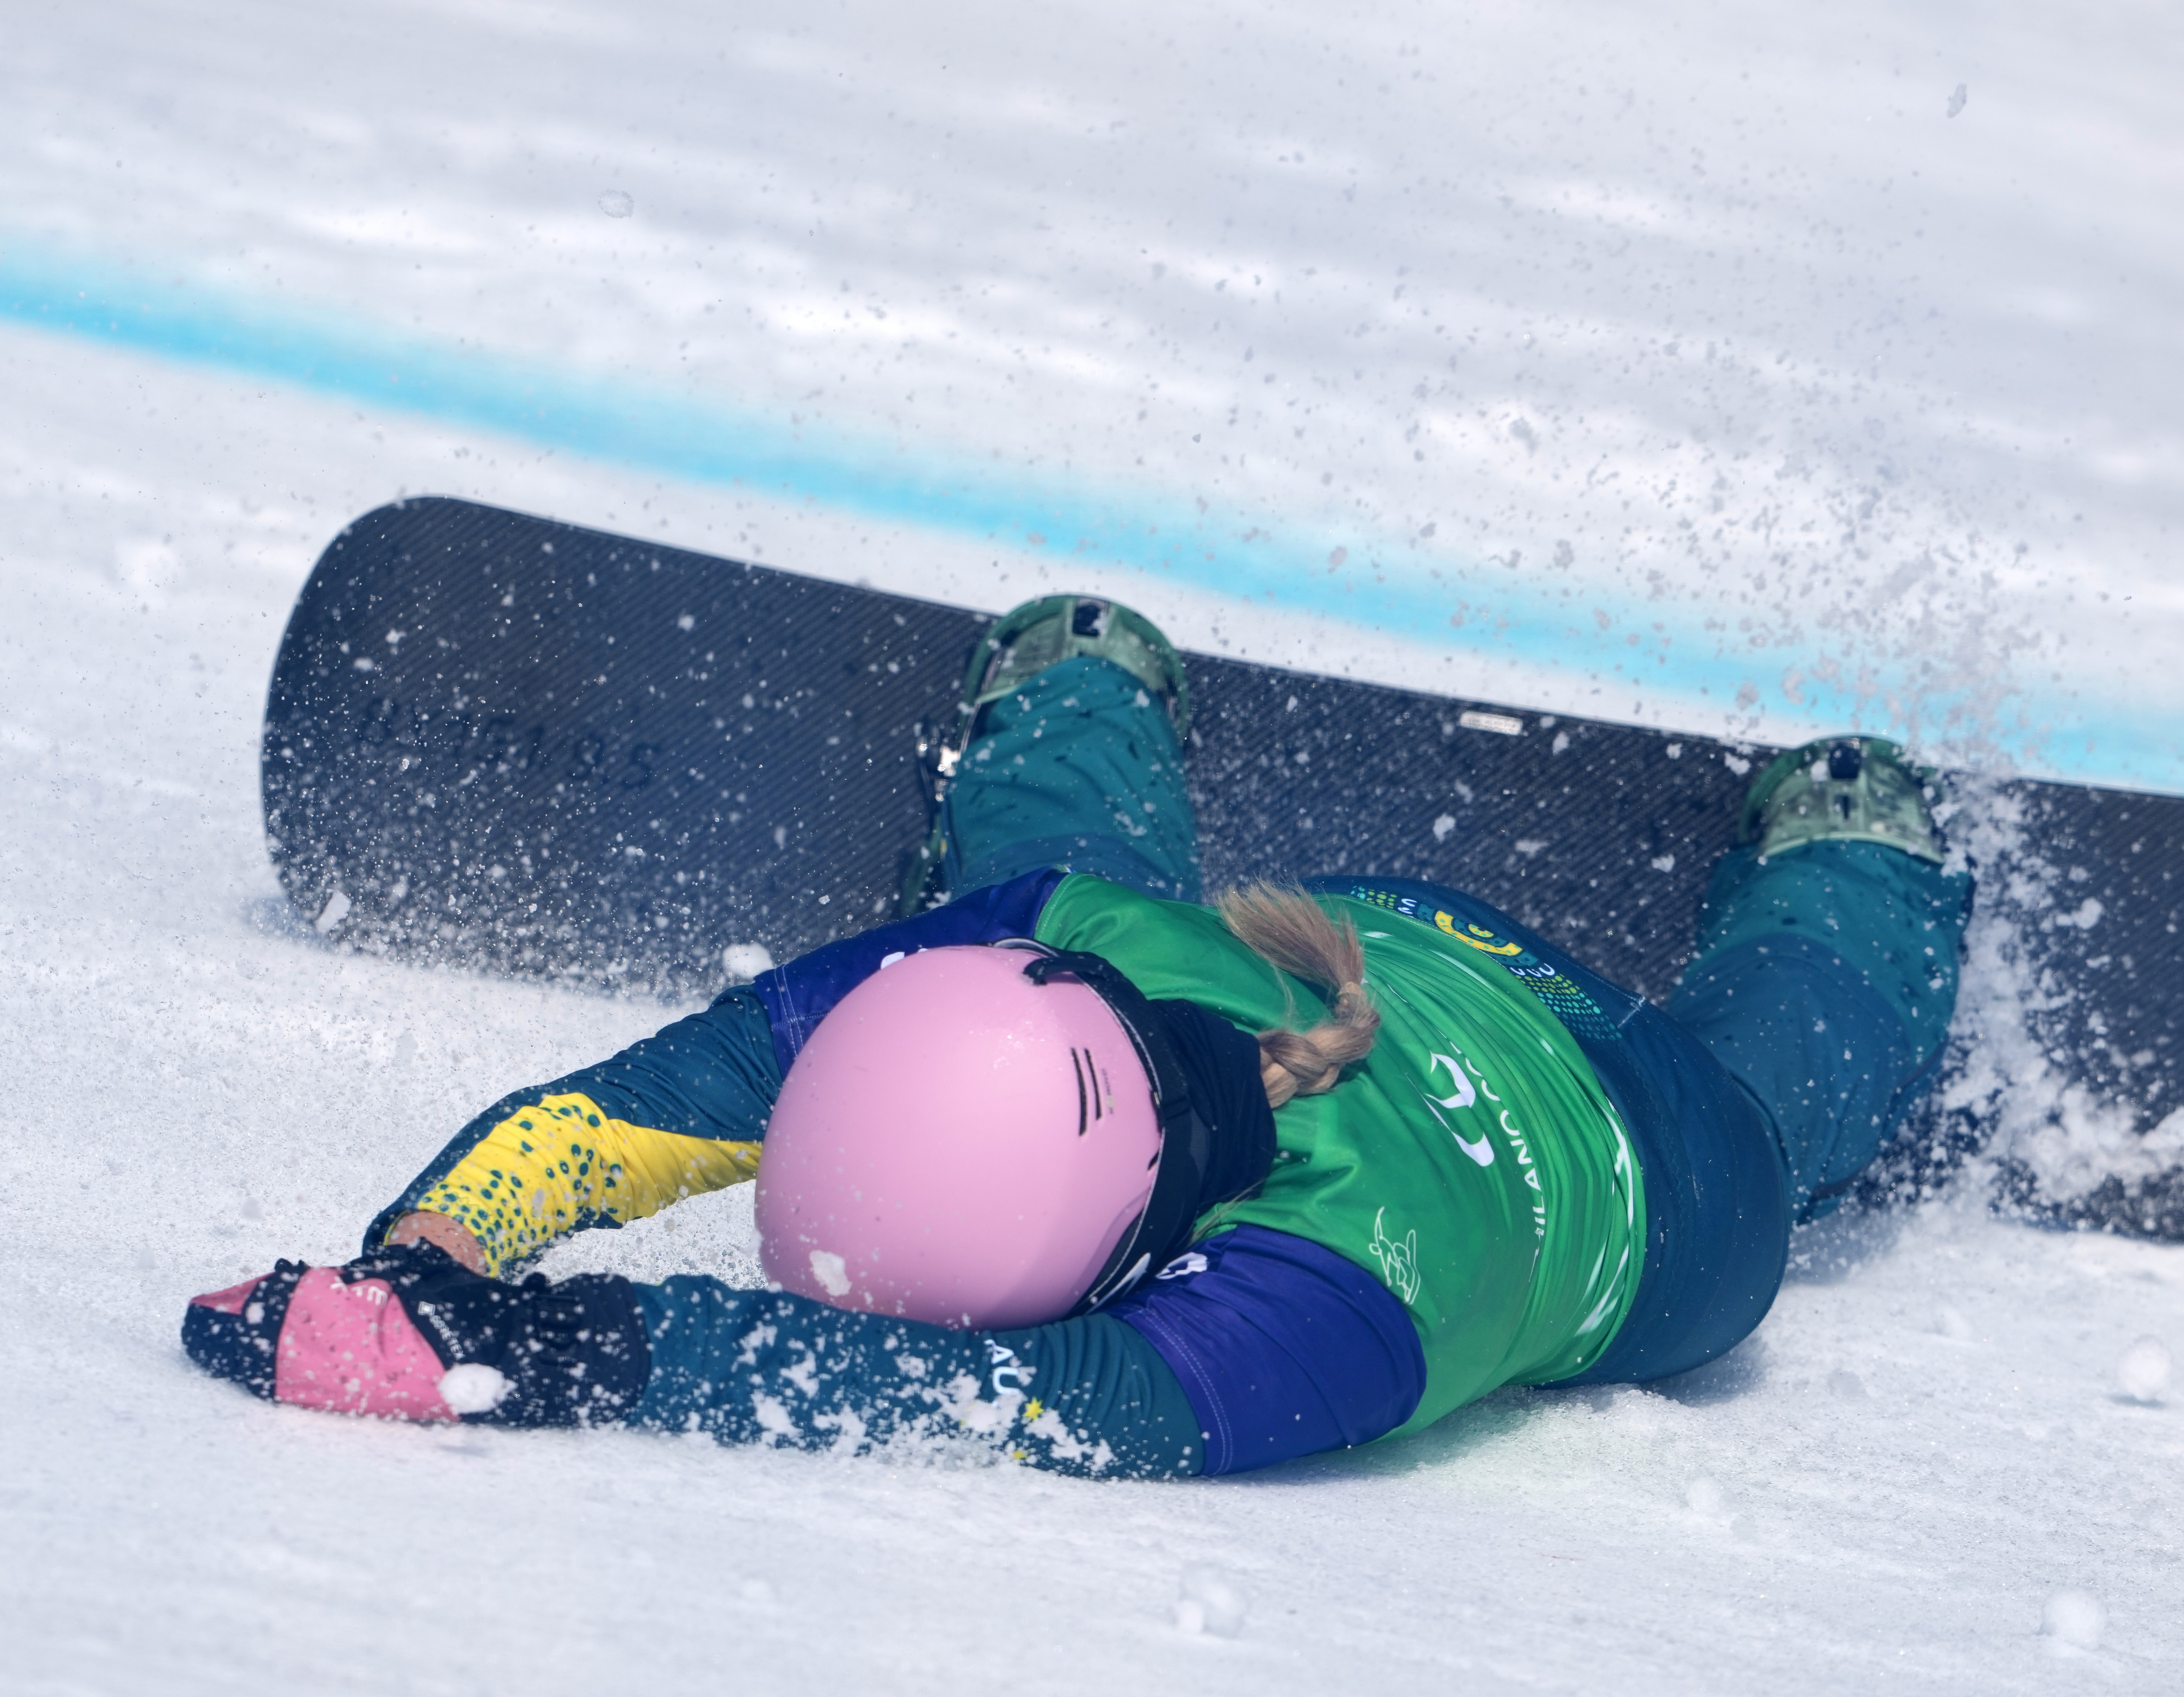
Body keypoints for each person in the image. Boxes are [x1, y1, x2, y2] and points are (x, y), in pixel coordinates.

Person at [184, 595, 1973, 1477]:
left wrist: (548, 1349)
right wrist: (430, 1258)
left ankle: (1864, 897)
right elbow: (647, 1111)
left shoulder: (1337, 1301)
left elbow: (998, 1396)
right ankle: (1084, 677)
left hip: (1646, 1164)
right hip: (1351, 951)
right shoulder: (1026, 964)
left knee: (1772, 1103)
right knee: (1067, 874)